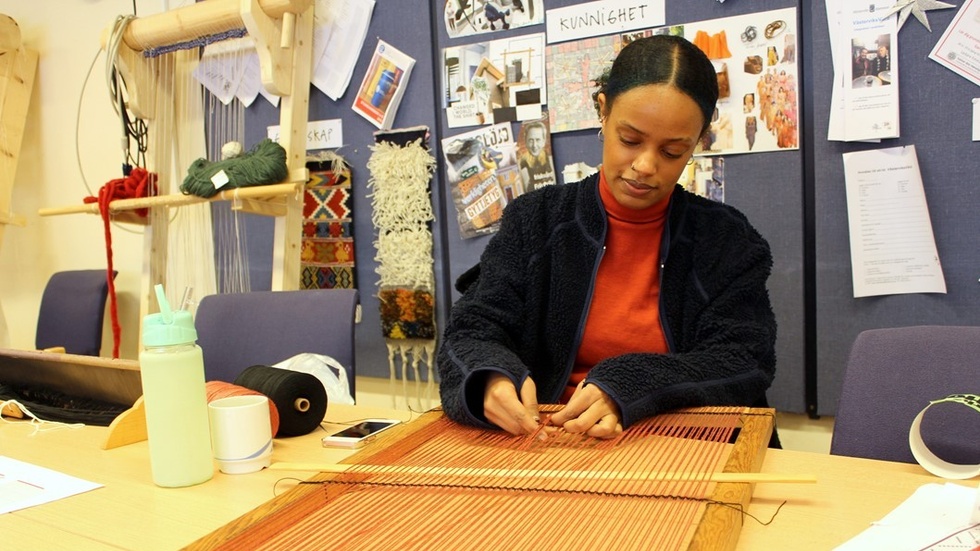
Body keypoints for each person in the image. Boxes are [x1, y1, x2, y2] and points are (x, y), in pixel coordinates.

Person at [437, 34, 778, 445]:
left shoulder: (726, 240)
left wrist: (631, 384)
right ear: (603, 112)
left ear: (699, 140)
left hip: (685, 449)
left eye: (672, 152)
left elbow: (743, 359)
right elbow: (472, 329)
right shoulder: (536, 221)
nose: (645, 166)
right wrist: (488, 378)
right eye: (630, 140)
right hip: (554, 447)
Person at [517, 120, 556, 191]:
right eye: (531, 140)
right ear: (525, 141)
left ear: (544, 141)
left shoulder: (550, 159)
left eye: (538, 140)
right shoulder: (522, 161)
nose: (534, 145)